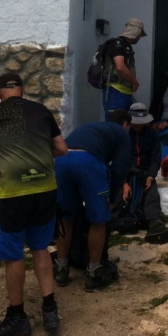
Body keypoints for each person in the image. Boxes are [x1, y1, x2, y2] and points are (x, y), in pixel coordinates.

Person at [0, 72, 68, 336]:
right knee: (40, 247)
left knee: (13, 254)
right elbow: (62, 149)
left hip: (13, 194)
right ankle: (49, 310)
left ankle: (17, 317)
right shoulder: (41, 110)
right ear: (22, 89)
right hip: (45, 190)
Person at [54, 109, 133, 291]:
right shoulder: (122, 134)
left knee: (65, 217)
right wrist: (112, 199)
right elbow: (119, 169)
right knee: (98, 220)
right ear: (125, 124)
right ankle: (94, 273)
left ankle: (61, 268)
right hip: (88, 162)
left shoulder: (93, 127)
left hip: (62, 160)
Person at [125, 103, 168, 244]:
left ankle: (155, 224)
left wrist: (150, 176)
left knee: (152, 194)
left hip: (145, 174)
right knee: (120, 197)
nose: (138, 124)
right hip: (126, 174)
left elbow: (155, 159)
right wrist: (123, 182)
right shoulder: (124, 134)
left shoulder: (151, 133)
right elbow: (118, 160)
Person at [102, 18, 147, 120]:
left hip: (125, 93)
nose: (139, 38)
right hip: (115, 92)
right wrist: (134, 82)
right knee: (114, 124)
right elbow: (120, 67)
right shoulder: (117, 44)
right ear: (136, 32)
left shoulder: (126, 46)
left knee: (125, 124)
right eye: (140, 35)